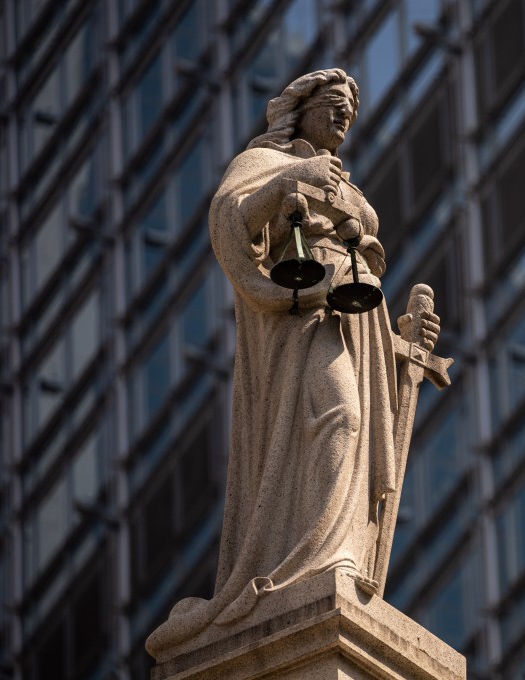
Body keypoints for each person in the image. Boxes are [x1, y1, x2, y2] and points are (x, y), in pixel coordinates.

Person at [146, 68, 439, 658]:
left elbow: (361, 270)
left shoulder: (351, 190)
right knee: (340, 418)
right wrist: (290, 185)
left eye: (348, 112)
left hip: (357, 316)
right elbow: (230, 221)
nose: (342, 118)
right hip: (300, 313)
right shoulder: (265, 163)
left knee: (354, 437)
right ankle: (316, 559)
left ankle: (341, 551)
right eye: (332, 105)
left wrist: (403, 337)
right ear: (298, 110)